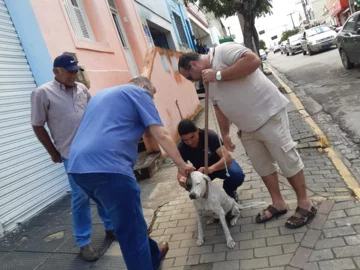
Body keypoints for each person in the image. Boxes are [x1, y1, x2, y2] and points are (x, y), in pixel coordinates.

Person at [177, 42, 317, 229]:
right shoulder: (207, 82)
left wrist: (218, 75)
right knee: (262, 166)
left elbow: (253, 61)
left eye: (189, 77)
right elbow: (219, 108)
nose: (192, 81)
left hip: (269, 116)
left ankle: (305, 204)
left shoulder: (222, 52)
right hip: (247, 129)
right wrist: (225, 133)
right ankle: (278, 203)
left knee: (286, 159)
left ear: (193, 65)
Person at [66, 76, 194, 270]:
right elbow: (162, 134)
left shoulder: (102, 95)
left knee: (129, 221)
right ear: (144, 87)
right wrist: (181, 165)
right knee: (131, 234)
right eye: (153, 94)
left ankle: (153, 255)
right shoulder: (139, 93)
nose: (151, 100)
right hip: (108, 169)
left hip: (78, 168)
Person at [30, 54, 114, 261]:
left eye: (76, 70)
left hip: (94, 150)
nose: (74, 74)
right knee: (81, 197)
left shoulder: (82, 89)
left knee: (102, 190)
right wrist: (52, 152)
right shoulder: (42, 93)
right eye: (69, 71)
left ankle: (111, 227)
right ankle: (84, 242)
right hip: (71, 154)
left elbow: (94, 115)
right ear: (56, 71)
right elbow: (37, 125)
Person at [177, 119, 244, 201]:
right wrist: (182, 180)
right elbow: (180, 171)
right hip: (202, 172)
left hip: (220, 165)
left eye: (192, 137)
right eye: (185, 140)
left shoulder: (209, 135)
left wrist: (211, 169)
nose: (190, 142)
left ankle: (229, 193)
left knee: (236, 175)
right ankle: (204, 199)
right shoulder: (181, 147)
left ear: (197, 130)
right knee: (192, 183)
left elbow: (228, 158)